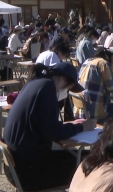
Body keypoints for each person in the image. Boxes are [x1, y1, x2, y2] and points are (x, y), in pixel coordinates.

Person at [3, 62, 96, 191]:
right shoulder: (47, 87)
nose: (67, 92)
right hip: (29, 172)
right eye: (69, 87)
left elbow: (46, 125)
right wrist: (82, 127)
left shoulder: (35, 83)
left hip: (15, 167)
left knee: (84, 157)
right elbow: (53, 132)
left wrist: (69, 126)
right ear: (63, 79)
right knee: (91, 161)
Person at [78, 47, 113, 121]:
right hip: (95, 112)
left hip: (82, 110)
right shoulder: (104, 64)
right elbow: (112, 88)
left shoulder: (87, 61)